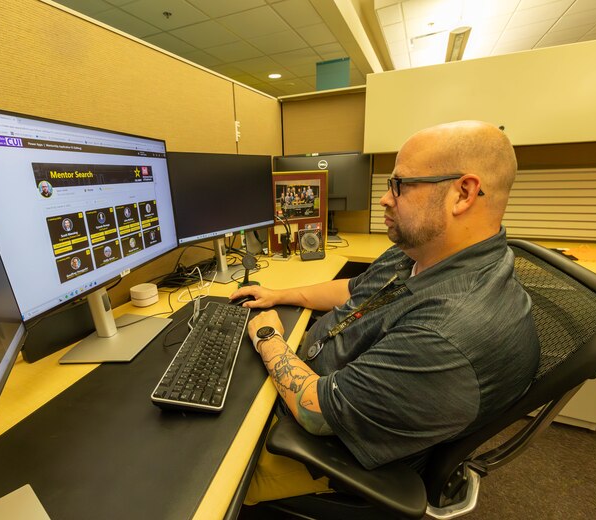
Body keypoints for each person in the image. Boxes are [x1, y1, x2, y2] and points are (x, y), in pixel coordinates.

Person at [230, 120, 540, 505]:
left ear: (463, 193)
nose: (385, 199)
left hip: (328, 451)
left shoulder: (448, 331)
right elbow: (358, 289)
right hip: (312, 381)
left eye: (401, 185)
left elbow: (316, 413)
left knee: (203, 474)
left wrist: (268, 337)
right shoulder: (425, 248)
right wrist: (281, 294)